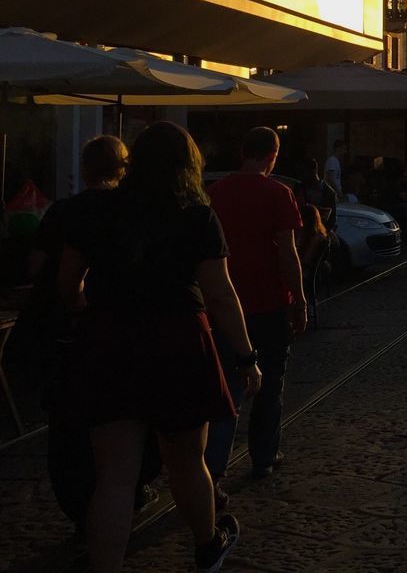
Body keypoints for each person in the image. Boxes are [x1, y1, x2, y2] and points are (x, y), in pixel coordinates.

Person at [56, 121, 260, 573]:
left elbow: (68, 279)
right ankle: (207, 544)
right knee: (187, 463)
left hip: (110, 341)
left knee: (113, 477)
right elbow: (220, 295)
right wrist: (246, 356)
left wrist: (83, 311)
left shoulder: (96, 211)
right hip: (178, 342)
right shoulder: (196, 214)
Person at [12, 136, 162, 533]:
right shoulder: (136, 211)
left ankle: (80, 500)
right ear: (123, 168)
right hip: (123, 332)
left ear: (85, 167)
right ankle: (128, 488)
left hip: (67, 333)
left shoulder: (65, 211)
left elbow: (37, 264)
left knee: (70, 421)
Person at [205, 127, 307, 499]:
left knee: (225, 387)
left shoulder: (215, 193)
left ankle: (213, 468)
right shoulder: (279, 194)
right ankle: (263, 456)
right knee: (270, 384)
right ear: (272, 155)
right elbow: (287, 253)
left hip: (224, 304)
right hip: (268, 304)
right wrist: (300, 299)